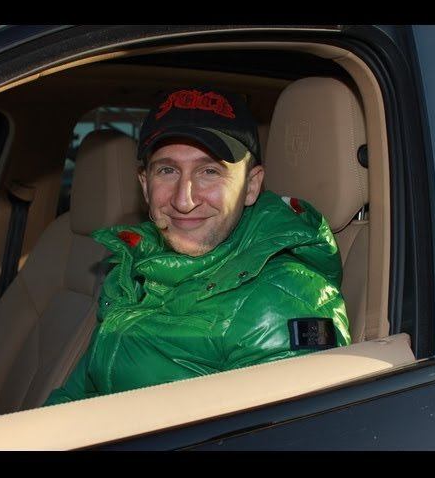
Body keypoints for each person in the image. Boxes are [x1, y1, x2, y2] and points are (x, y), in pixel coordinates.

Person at [44, 87, 350, 405]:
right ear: (145, 185)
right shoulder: (136, 271)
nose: (183, 200)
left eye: (209, 171)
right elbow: (76, 397)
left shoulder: (280, 304)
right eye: (167, 170)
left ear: (251, 186)